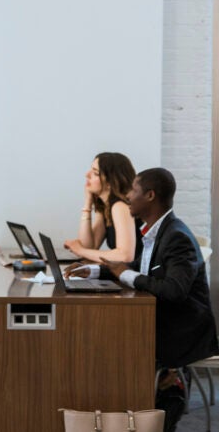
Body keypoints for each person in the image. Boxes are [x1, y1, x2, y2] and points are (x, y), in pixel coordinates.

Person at [67, 168, 218, 432]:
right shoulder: (156, 231)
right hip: (164, 322)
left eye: (134, 190)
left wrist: (126, 275)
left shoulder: (177, 237)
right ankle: (120, 411)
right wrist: (93, 270)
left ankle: (154, 405)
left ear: (149, 196)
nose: (128, 196)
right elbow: (139, 267)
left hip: (183, 332)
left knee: (112, 340)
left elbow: (175, 290)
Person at [64, 152, 139, 263]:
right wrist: (88, 203)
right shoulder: (107, 207)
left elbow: (125, 256)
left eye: (95, 173)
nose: (87, 174)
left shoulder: (120, 206)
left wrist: (80, 250)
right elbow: (90, 247)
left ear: (110, 182)